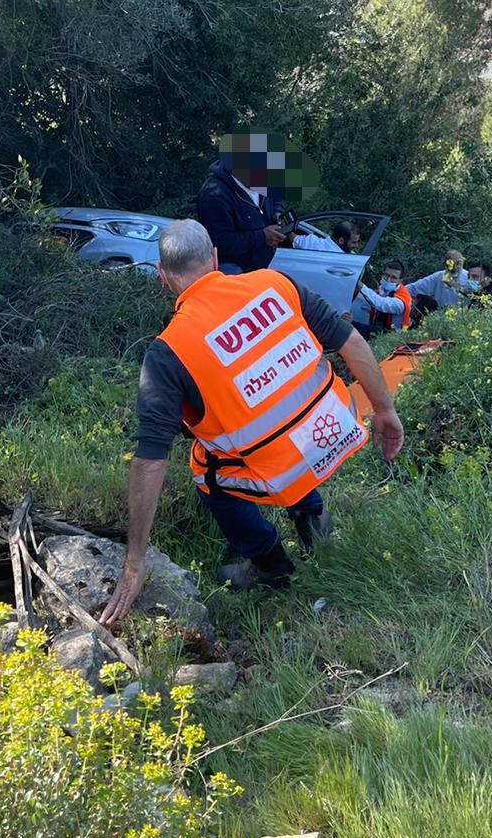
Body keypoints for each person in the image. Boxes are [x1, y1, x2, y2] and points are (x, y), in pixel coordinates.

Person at [101, 220, 404, 622]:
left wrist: (134, 560)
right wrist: (385, 410)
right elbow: (350, 341)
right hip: (337, 429)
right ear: (213, 258)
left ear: (162, 277)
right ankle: (312, 517)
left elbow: (151, 458)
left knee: (202, 467)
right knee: (273, 431)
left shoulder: (170, 350)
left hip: (285, 463)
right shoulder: (275, 283)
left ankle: (269, 562)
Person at [196, 154, 288, 274]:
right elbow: (221, 243)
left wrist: (277, 212)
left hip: (260, 269)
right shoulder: (214, 195)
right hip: (233, 274)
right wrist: (262, 237)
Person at [405, 250, 478, 320]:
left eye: (458, 264)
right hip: (440, 319)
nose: (455, 267)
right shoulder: (438, 277)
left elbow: (475, 295)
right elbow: (412, 289)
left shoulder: (470, 276)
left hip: (463, 319)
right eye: (451, 264)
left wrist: (453, 285)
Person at [351, 259, 413, 338]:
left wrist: (360, 285)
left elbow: (380, 303)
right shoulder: (382, 290)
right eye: (386, 275)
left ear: (400, 280)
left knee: (355, 327)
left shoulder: (401, 301)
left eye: (393, 277)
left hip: (394, 336)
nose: (388, 279)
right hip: (379, 329)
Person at [291, 219, 358, 253]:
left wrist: (283, 225)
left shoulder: (312, 242)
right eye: (354, 242)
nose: (356, 245)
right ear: (341, 241)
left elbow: (291, 238)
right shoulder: (349, 262)